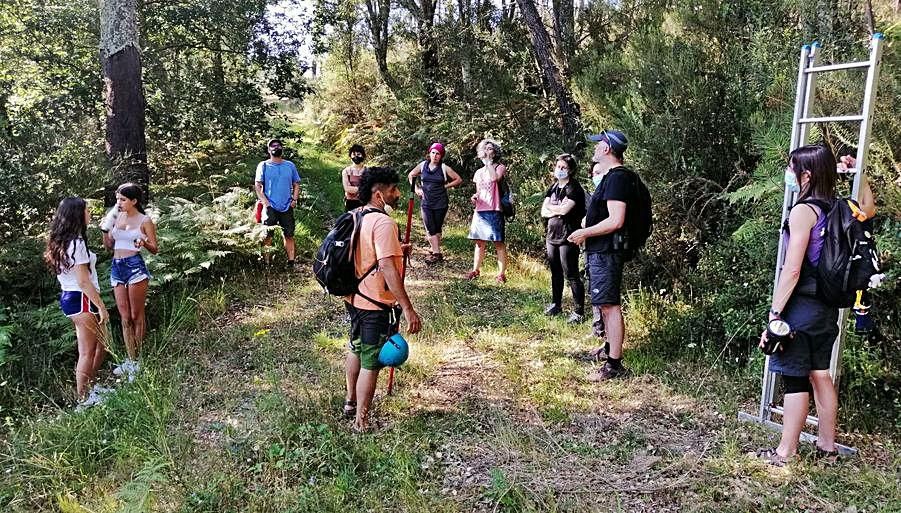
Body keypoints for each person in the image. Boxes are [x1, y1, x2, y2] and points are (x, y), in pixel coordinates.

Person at [756, 146, 875, 466]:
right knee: (821, 374)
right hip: (827, 308)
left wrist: (775, 313)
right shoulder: (843, 207)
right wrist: (856, 172)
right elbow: (870, 207)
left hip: (802, 306)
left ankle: (786, 452)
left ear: (805, 175)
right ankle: (827, 448)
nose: (789, 175)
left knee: (795, 378)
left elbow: (792, 269)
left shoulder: (803, 211)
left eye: (791, 169)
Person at [343, 167, 422, 432]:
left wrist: (398, 249)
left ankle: (350, 402)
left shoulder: (356, 215)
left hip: (353, 298)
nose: (398, 194)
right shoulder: (385, 222)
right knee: (372, 361)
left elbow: (367, 252)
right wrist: (409, 309)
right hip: (374, 302)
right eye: (392, 190)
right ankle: (361, 422)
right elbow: (387, 269)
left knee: (355, 348)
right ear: (379, 195)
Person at [568, 130, 633, 380]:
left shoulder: (617, 178)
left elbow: (616, 220)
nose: (595, 149)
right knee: (605, 304)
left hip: (607, 250)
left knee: (609, 305)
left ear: (607, 149)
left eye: (598, 145)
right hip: (602, 250)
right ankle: (608, 350)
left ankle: (614, 366)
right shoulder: (612, 178)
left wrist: (585, 232)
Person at [45, 197, 110, 402]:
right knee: (87, 352)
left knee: (102, 345)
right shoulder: (76, 243)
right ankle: (84, 400)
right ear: (77, 215)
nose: (89, 214)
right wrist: (101, 306)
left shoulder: (61, 241)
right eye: (87, 211)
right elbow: (83, 281)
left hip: (72, 298)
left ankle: (91, 390)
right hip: (81, 298)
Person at [102, 183, 158, 381]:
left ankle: (139, 359)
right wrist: (106, 228)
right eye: (117, 199)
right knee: (124, 317)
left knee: (136, 315)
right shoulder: (116, 217)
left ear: (134, 201)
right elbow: (108, 245)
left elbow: (154, 248)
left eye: (123, 199)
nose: (119, 203)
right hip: (117, 266)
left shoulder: (145, 220)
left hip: (135, 265)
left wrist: (143, 242)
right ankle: (130, 359)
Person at [541, 154, 587, 324]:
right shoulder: (553, 187)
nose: (559, 170)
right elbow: (543, 211)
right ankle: (556, 304)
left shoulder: (574, 188)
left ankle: (578, 312)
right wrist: (557, 208)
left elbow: (565, 210)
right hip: (552, 235)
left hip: (568, 236)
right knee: (555, 272)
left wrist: (555, 208)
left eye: (563, 168)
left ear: (571, 170)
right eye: (558, 167)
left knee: (572, 273)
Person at [407, 142, 463, 264]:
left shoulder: (444, 168)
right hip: (426, 202)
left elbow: (458, 179)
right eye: (433, 152)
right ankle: (437, 254)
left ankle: (435, 251)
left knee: (437, 228)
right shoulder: (423, 165)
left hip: (441, 203)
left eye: (438, 154)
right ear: (429, 153)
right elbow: (411, 175)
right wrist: (416, 189)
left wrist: (447, 186)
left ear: (441, 156)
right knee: (430, 227)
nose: (435, 155)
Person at [466, 139, 509, 283]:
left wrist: (489, 163)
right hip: (480, 210)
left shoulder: (499, 167)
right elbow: (479, 191)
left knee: (498, 242)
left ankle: (501, 273)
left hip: (495, 209)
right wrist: (475, 197)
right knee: (479, 242)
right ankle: (475, 270)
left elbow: (494, 178)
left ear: (495, 152)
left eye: (490, 149)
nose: (487, 151)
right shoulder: (478, 172)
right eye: (485, 149)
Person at [255, 138, 302, 266]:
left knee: (289, 235)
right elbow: (258, 186)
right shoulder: (263, 165)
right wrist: (265, 203)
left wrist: (294, 199)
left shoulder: (290, 165)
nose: (276, 147)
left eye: (278, 145)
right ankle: (266, 262)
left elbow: (296, 183)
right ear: (269, 150)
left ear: (282, 148)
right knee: (267, 235)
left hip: (287, 206)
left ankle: (291, 262)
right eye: (273, 146)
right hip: (270, 206)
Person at [342, 144, 368, 212]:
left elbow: (371, 188)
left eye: (359, 154)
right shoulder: (346, 171)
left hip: (365, 203)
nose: (356, 156)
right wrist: (363, 189)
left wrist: (355, 189)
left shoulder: (368, 171)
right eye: (354, 154)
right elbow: (347, 188)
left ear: (363, 156)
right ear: (350, 156)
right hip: (350, 203)